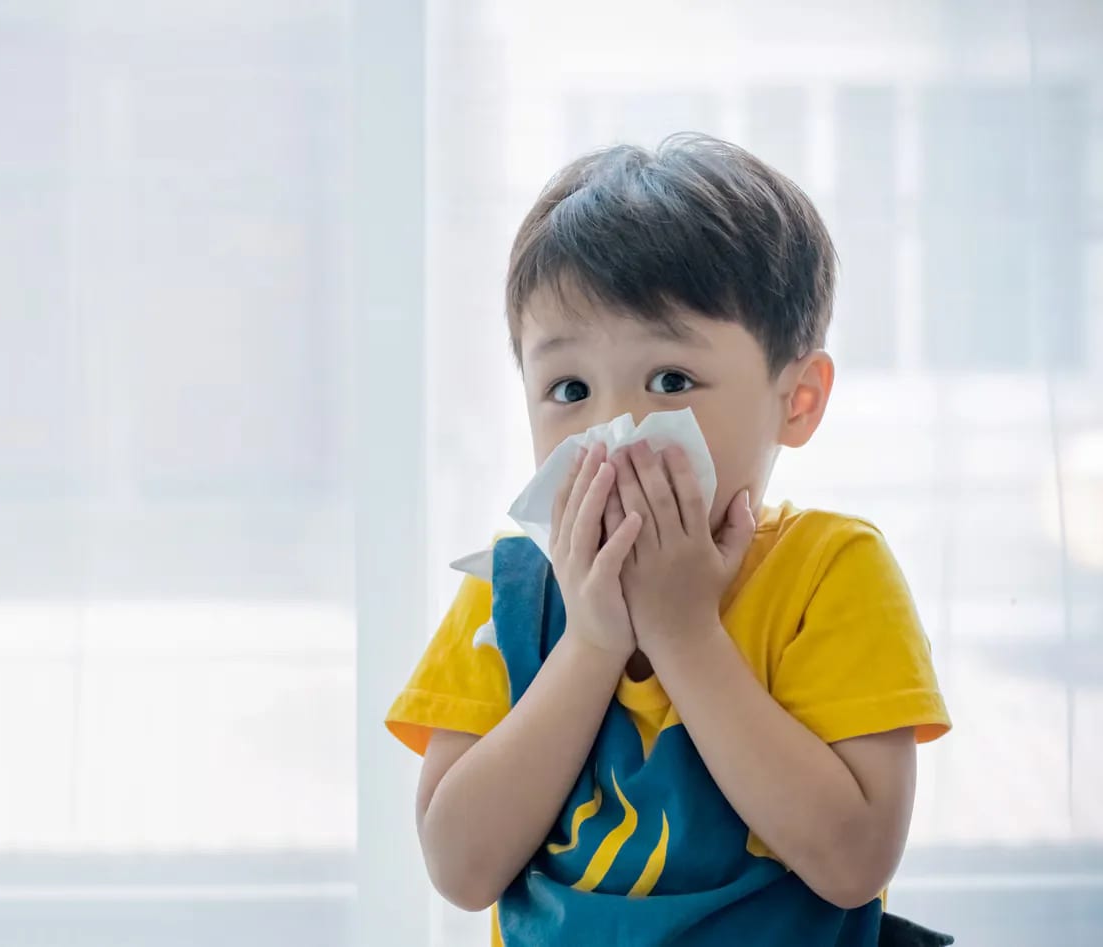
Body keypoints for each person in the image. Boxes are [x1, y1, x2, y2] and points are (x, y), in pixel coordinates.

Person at [385, 134, 952, 946]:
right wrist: (590, 640)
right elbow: (461, 868)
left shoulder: (831, 571)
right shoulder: (508, 590)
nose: (614, 433)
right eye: (569, 389)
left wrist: (685, 633)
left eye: (671, 381)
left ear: (797, 399)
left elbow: (854, 858)